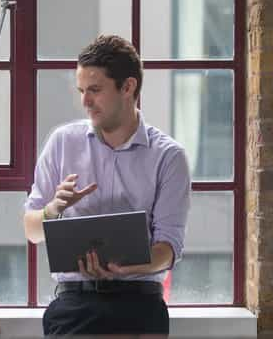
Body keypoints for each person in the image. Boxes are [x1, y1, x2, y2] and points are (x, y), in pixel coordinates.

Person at [23, 35, 191, 336]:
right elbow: (32, 232)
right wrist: (53, 209)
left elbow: (168, 249)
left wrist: (129, 267)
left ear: (128, 87)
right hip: (74, 302)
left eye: (95, 91)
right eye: (82, 91)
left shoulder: (168, 157)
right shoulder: (62, 143)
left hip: (139, 304)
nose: (85, 102)